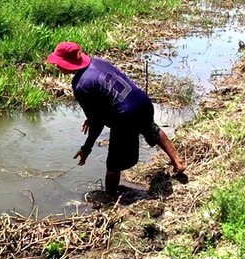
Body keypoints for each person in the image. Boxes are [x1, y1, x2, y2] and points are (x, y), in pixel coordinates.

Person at [46, 41, 186, 195]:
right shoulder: (97, 61)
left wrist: (87, 147)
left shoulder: (80, 85)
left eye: (58, 63)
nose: (56, 66)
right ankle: (177, 162)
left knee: (113, 164)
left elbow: (98, 123)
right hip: (142, 102)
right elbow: (108, 92)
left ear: (67, 64)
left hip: (125, 116)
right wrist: (93, 117)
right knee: (150, 127)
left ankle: (110, 198)